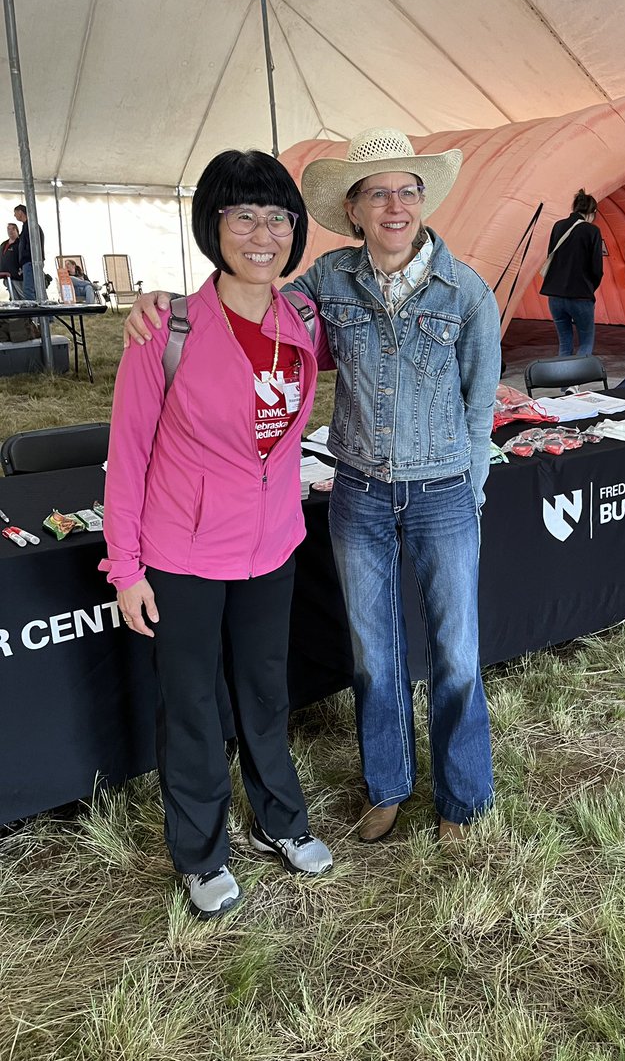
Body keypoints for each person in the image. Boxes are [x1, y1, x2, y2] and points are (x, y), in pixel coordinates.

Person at [125, 128, 502, 846]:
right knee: (372, 650)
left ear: (423, 202)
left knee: (456, 652)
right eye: (377, 194)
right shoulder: (327, 283)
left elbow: (480, 404)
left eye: (407, 191)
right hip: (358, 493)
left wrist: (470, 493)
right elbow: (247, 298)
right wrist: (162, 301)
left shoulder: (468, 292)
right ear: (353, 210)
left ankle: (461, 799)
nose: (395, 206)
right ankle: (387, 786)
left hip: (444, 492)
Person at [103, 149, 334, 919]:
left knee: (266, 692)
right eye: (243, 215)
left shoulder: (300, 315)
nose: (261, 233)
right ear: (215, 225)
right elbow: (128, 454)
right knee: (193, 704)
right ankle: (201, 854)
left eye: (277, 217)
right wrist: (126, 568)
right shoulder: (166, 329)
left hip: (271, 544)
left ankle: (280, 820)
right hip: (185, 552)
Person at [539, 188, 604, 358]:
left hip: (555, 296)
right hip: (581, 296)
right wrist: (590, 287)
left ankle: (565, 383)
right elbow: (597, 268)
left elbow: (550, 257)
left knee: (565, 343)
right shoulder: (592, 231)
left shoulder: (558, 226)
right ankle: (574, 385)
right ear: (592, 212)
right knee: (586, 343)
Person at [15, 204, 45, 302]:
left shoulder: (30, 226)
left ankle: (36, 316)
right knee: (37, 289)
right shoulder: (27, 226)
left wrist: (25, 257)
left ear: (20, 212)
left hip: (31, 261)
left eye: (15, 213)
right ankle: (46, 316)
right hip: (30, 261)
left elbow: (33, 244)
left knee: (29, 290)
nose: (14, 215)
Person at [0, 222, 21, 299]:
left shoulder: (20, 243)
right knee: (13, 297)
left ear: (17, 230)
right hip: (6, 275)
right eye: (8, 229)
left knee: (21, 296)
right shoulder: (3, 244)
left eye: (13, 229)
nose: (10, 231)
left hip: (17, 276)